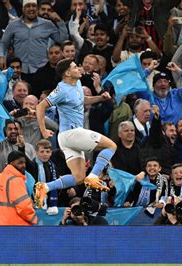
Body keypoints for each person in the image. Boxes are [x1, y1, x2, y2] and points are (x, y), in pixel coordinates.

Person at [35, 58, 117, 208]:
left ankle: (45, 187)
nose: (79, 69)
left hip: (68, 138)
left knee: (79, 178)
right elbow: (40, 107)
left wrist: (100, 98)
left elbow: (81, 99)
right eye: (74, 67)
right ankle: (93, 176)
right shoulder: (62, 89)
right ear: (67, 73)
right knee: (111, 146)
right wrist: (43, 130)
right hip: (71, 133)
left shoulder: (77, 84)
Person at [0, 151, 37, 226]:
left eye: (24, 162)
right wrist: (33, 219)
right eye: (20, 163)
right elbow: (24, 207)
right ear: (11, 163)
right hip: (16, 227)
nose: (23, 165)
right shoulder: (16, 180)